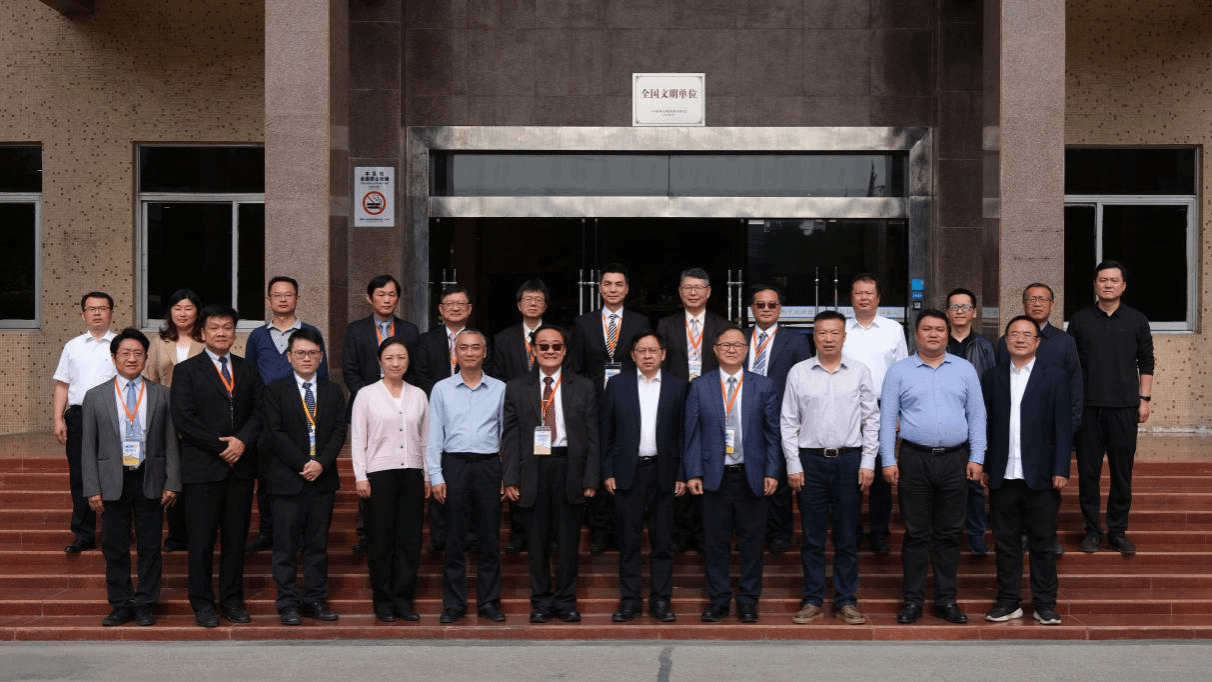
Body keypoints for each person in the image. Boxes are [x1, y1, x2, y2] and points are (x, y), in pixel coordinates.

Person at [880, 309, 986, 625]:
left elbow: (977, 416)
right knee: (915, 534)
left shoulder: (965, 370)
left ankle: (946, 600)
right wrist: (888, 459)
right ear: (916, 335)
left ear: (947, 333)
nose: (934, 334)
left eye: (939, 329)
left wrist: (977, 457)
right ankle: (912, 600)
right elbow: (887, 419)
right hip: (915, 459)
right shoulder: (899, 371)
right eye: (927, 329)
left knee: (950, 533)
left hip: (955, 460)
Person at [780, 311, 878, 626]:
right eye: (822, 333)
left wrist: (868, 461)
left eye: (835, 332)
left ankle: (846, 600)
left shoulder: (859, 372)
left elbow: (871, 420)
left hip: (849, 460)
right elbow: (788, 421)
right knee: (812, 537)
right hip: (810, 461)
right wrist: (793, 463)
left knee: (846, 535)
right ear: (814, 336)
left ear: (844, 337)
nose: (828, 338)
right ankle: (812, 599)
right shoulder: (799, 372)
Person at [170, 304, 263, 628]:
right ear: (202, 332)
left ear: (235, 333)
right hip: (203, 469)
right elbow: (184, 418)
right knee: (201, 541)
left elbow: (260, 411)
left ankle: (232, 601)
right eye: (214, 327)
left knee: (235, 541)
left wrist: (243, 441)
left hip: (240, 469)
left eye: (227, 327)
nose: (221, 333)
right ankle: (202, 603)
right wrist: (222, 446)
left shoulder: (248, 369)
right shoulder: (186, 371)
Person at [80, 328, 179, 627]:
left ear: (146, 358)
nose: (132, 358)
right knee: (114, 546)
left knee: (150, 545)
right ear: (114, 358)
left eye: (138, 353)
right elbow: (88, 446)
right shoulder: (95, 396)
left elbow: (171, 443)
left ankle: (146, 603)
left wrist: (172, 482)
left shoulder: (162, 395)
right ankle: (121, 604)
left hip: (150, 477)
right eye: (125, 353)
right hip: (113, 479)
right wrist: (92, 487)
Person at [502, 325, 599, 624]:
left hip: (569, 468)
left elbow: (593, 436)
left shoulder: (583, 386)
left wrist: (591, 477)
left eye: (556, 346)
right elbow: (510, 436)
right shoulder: (516, 387)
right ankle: (541, 602)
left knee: (569, 542)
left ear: (565, 351)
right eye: (543, 346)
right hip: (533, 469)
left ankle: (567, 601)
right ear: (533, 350)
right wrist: (510, 477)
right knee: (536, 542)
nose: (550, 351)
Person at [684, 326, 780, 624]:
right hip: (714, 477)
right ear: (715, 350)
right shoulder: (700, 386)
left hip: (752, 476)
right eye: (725, 345)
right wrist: (693, 472)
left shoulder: (764, 386)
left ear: (746, 350)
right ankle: (719, 599)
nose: (731, 349)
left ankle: (749, 600)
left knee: (752, 543)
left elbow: (772, 434)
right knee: (715, 543)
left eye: (737, 345)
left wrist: (772, 470)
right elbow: (692, 433)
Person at [981, 315, 1072, 626]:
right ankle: (1009, 601)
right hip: (1003, 475)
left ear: (1037, 342)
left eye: (1027, 334)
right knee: (1005, 543)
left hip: (1042, 476)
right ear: (1006, 341)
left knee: (1043, 544)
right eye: (1014, 334)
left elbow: (1063, 427)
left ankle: (1045, 604)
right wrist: (984, 464)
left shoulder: (1055, 377)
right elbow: (986, 425)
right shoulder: (992, 377)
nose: (1020, 339)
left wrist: (1061, 467)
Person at [1067, 260, 1155, 555]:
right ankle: (1092, 531)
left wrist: (1144, 400)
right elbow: (1071, 366)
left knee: (1122, 473)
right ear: (1095, 284)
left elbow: (1146, 361)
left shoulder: (1137, 320)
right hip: (1088, 409)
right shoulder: (1079, 320)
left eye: (1114, 280)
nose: (1108, 284)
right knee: (1088, 474)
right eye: (1102, 280)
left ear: (1123, 286)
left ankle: (1117, 531)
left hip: (1124, 408)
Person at [601, 329, 687, 623]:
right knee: (629, 541)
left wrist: (682, 473)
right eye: (642, 350)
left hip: (664, 472)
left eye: (653, 351)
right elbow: (606, 432)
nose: (647, 356)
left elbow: (683, 433)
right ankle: (630, 601)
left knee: (663, 542)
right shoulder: (617, 385)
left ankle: (661, 601)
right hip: (628, 472)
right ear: (633, 355)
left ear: (663, 354)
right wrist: (608, 470)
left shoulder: (678, 386)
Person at [262, 328, 346, 625]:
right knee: (285, 546)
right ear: (289, 357)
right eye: (300, 353)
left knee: (316, 545)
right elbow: (274, 432)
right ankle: (287, 603)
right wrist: (303, 463)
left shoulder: (333, 391)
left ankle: (315, 600)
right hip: (287, 480)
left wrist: (320, 463)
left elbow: (339, 431)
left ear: (321, 357)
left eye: (312, 353)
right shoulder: (274, 390)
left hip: (322, 480)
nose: (307, 358)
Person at [244, 276, 331, 554]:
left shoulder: (310, 332)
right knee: (267, 478)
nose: (283, 299)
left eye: (288, 294)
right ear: (269, 300)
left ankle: (304, 533)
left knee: (303, 472)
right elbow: (249, 376)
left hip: (304, 417)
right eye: (277, 295)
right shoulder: (258, 336)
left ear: (297, 298)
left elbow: (323, 375)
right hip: (266, 419)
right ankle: (268, 531)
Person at [426, 329, 507, 624]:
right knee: (454, 538)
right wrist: (436, 475)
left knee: (489, 538)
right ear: (455, 353)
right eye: (464, 348)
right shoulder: (441, 389)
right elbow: (433, 435)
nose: (470, 353)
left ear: (484, 353)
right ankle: (454, 604)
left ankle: (489, 602)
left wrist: (506, 474)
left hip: (489, 465)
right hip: (455, 464)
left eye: (475, 348)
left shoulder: (500, 388)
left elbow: (505, 434)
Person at [995, 282, 1081, 557]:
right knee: (1015, 488)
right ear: (1023, 304)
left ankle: (1047, 536)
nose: (1037, 303)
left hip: (1049, 434)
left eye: (1043, 299)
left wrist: (1067, 429)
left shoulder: (1065, 342)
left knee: (1047, 493)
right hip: (1014, 434)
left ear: (1052, 305)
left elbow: (1075, 389)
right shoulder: (1006, 342)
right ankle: (1020, 536)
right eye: (1031, 299)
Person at [571, 264, 649, 554]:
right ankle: (599, 529)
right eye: (608, 284)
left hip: (630, 401)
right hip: (594, 403)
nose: (613, 289)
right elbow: (577, 366)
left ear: (627, 289)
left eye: (619, 284)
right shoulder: (584, 323)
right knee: (596, 461)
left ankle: (623, 526)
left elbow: (645, 361)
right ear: (600, 288)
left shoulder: (640, 322)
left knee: (625, 460)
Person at [350, 337, 429, 622]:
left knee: (409, 540)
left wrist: (427, 474)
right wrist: (360, 475)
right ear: (380, 362)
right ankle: (383, 601)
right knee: (381, 541)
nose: (396, 363)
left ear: (408, 361)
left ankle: (403, 600)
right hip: (379, 475)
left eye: (401, 357)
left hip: (412, 474)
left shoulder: (418, 395)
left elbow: (425, 438)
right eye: (389, 358)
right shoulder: (366, 395)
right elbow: (358, 438)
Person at [342, 274, 422, 555]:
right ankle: (367, 533)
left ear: (398, 298)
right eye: (381, 294)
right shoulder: (356, 330)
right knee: (370, 468)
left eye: (391, 295)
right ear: (370, 298)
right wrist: (372, 398)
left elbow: (415, 369)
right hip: (369, 409)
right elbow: (349, 369)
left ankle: (395, 533)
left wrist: (396, 398)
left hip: (402, 407)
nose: (387, 299)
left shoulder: (410, 330)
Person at [659, 268, 728, 555]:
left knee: (708, 460)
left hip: (712, 401)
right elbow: (662, 366)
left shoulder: (723, 325)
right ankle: (681, 530)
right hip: (677, 400)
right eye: (688, 287)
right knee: (680, 461)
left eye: (699, 287)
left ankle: (703, 531)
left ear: (708, 292)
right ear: (680, 291)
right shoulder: (666, 324)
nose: (693, 292)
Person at [744, 284, 812, 554]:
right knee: (747, 477)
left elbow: (805, 382)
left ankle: (780, 535)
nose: (766, 309)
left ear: (780, 308)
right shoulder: (738, 337)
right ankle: (753, 532)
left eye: (772, 305)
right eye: (760, 305)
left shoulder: (795, 341)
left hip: (781, 418)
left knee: (779, 480)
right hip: (743, 416)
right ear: (752, 308)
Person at [842, 274, 908, 555]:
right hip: (847, 407)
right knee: (850, 471)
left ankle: (880, 533)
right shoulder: (841, 329)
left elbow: (902, 372)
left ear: (878, 298)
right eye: (859, 293)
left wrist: (899, 411)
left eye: (869, 293)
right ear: (851, 297)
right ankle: (853, 531)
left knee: (882, 472)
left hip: (884, 406)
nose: (864, 298)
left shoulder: (893, 329)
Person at [52, 291, 118, 553]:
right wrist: (58, 418)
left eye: (103, 308)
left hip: (114, 416)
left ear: (111, 312)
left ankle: (114, 532)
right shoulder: (73, 346)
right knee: (80, 474)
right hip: (79, 416)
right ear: (83, 315)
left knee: (114, 473)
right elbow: (63, 384)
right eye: (92, 309)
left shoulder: (121, 345)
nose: (97, 313)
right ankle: (83, 535)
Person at [414, 284, 476, 555]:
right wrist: (444, 399)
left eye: (461, 304)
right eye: (450, 304)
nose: (455, 308)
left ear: (469, 309)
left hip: (471, 415)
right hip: (435, 412)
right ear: (440, 309)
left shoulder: (478, 340)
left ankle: (471, 535)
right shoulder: (426, 340)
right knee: (438, 470)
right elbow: (421, 374)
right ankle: (439, 536)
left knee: (469, 476)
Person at [491, 278, 551, 555]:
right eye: (528, 299)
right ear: (518, 305)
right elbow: (499, 376)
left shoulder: (556, 336)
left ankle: (549, 532)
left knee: (548, 472)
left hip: (550, 411)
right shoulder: (504, 339)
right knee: (517, 468)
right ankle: (518, 532)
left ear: (545, 305)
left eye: (538, 299)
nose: (533, 304)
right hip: (518, 413)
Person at [143, 288, 204, 553]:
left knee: (195, 477)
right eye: (177, 308)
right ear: (170, 312)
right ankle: (177, 535)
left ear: (197, 312)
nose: (183, 313)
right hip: (166, 416)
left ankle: (199, 533)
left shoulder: (206, 340)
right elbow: (151, 378)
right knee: (171, 475)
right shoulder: (159, 342)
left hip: (200, 419)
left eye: (188, 308)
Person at [945, 287, 996, 556]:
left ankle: (977, 535)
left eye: (965, 306)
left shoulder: (985, 346)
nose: (960, 311)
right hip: (944, 423)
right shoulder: (938, 343)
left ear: (974, 312)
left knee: (975, 483)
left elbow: (991, 386)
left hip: (975, 423)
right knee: (946, 485)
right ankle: (948, 536)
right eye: (955, 306)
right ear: (947, 312)